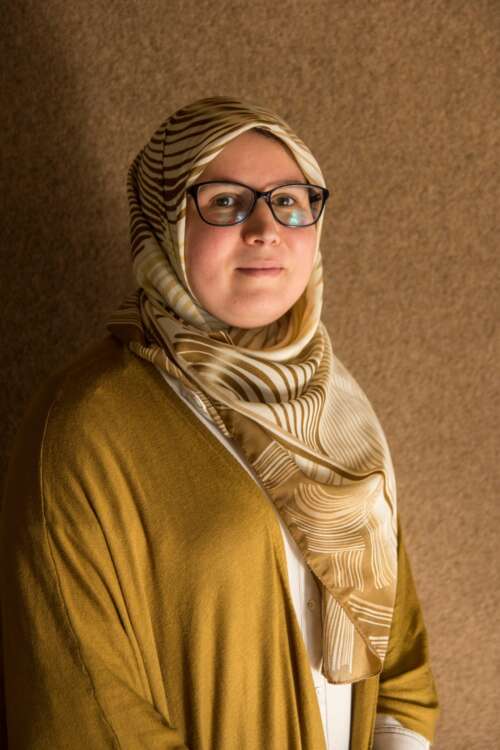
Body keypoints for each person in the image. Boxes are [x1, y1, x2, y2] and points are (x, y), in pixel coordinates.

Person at [0, 96, 439, 749]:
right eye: (226, 201)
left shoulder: (337, 409)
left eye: (289, 201)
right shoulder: (86, 427)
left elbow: (397, 651)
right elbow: (82, 703)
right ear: (163, 224)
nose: (266, 228)